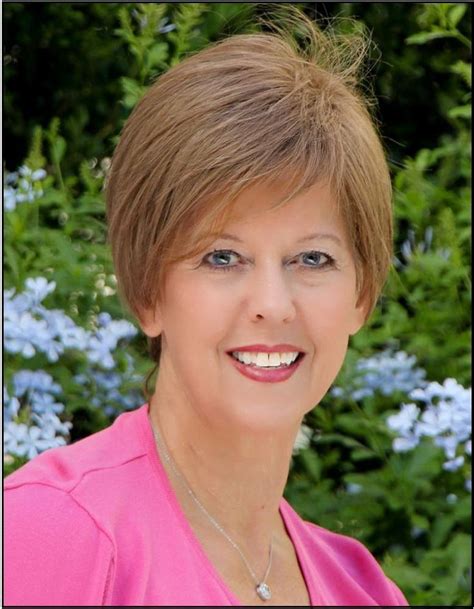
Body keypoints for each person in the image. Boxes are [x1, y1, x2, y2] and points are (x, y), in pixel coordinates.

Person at [4, 8, 408, 607]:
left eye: (313, 259)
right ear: (146, 293)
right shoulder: (51, 531)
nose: (273, 304)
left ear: (362, 295)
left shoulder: (364, 589)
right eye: (222, 257)